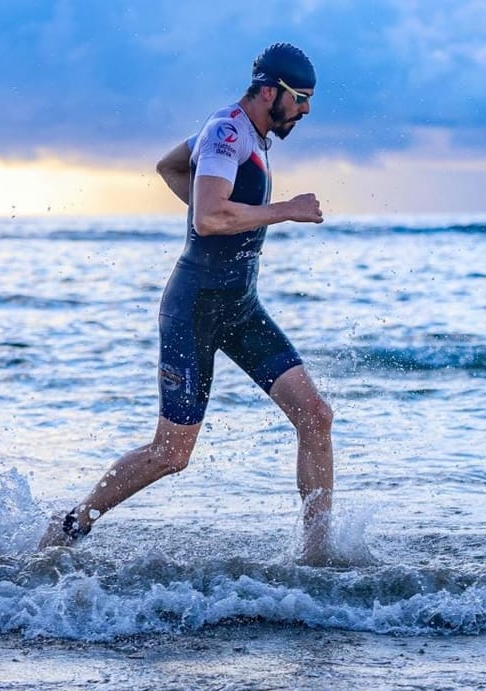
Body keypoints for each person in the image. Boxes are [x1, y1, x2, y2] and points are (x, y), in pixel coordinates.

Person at [39, 43, 334, 564]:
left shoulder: (249, 136)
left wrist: (211, 199)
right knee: (171, 454)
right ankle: (68, 527)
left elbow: (170, 167)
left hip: (239, 308)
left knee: (315, 416)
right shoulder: (226, 132)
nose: (306, 110)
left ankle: (316, 559)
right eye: (301, 98)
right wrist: (283, 209)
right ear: (272, 91)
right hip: (195, 308)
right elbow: (208, 219)